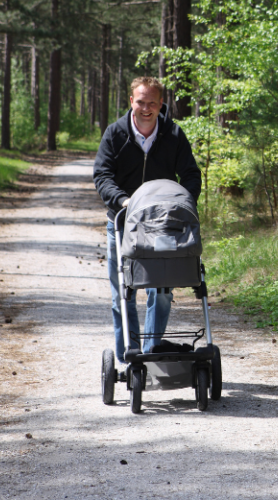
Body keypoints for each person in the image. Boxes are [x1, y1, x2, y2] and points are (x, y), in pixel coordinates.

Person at [93, 76, 202, 368]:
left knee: (162, 290)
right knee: (123, 293)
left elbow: (191, 174)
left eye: (152, 103)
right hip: (122, 223)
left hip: (162, 226)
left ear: (161, 104)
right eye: (141, 102)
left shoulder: (173, 134)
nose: (146, 108)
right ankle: (130, 357)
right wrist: (122, 201)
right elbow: (102, 175)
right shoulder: (115, 133)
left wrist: (183, 203)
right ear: (131, 101)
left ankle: (153, 352)